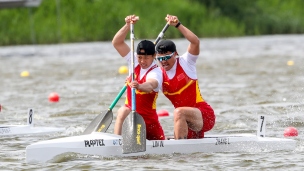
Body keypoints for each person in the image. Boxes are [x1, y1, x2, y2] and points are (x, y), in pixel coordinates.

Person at [156, 14, 216, 139]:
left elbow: (195, 42)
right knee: (189, 157)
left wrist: (178, 25)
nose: (163, 61)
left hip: (203, 115)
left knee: (179, 112)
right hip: (184, 121)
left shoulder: (186, 62)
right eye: (160, 58)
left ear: (175, 54)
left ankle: (178, 149)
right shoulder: (157, 74)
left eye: (167, 57)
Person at [112, 15, 165, 140]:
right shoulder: (133, 60)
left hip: (149, 124)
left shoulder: (156, 71)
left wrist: (139, 86)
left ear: (154, 56)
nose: (142, 61)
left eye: (146, 58)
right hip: (132, 119)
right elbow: (117, 43)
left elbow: (151, 85)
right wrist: (127, 26)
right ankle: (116, 142)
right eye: (140, 57)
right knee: (123, 111)